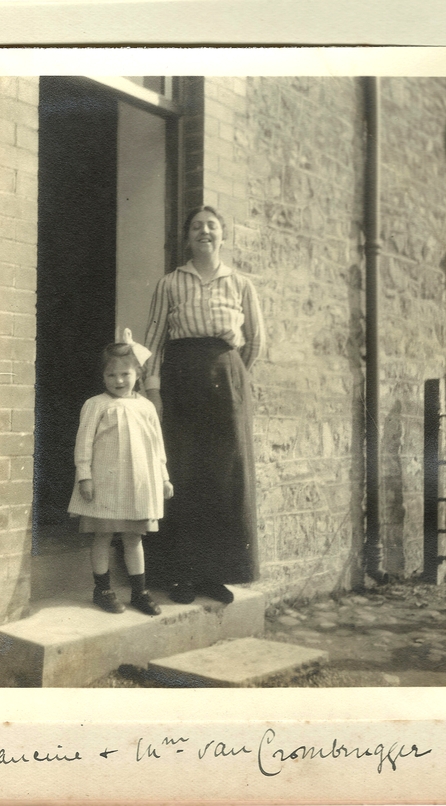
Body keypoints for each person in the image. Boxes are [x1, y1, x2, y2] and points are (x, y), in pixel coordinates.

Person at [144, 206, 265, 605]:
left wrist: (231, 375)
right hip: (181, 381)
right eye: (196, 226)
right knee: (182, 471)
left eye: (212, 226)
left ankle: (214, 574)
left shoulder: (242, 284)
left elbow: (256, 340)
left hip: (226, 384)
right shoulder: (170, 283)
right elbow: (154, 338)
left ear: (223, 236)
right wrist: (155, 387)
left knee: (223, 474)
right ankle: (177, 574)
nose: (204, 232)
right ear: (187, 237)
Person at [67, 330, 174, 616]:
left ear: (138, 374)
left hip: (137, 484)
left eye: (125, 374)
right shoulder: (96, 405)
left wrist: (163, 477)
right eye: (111, 375)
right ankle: (102, 589)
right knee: (102, 535)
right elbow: (84, 443)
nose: (118, 381)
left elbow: (156, 445)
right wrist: (85, 476)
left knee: (133, 537)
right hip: (105, 482)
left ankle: (139, 591)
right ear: (102, 377)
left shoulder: (146, 406)